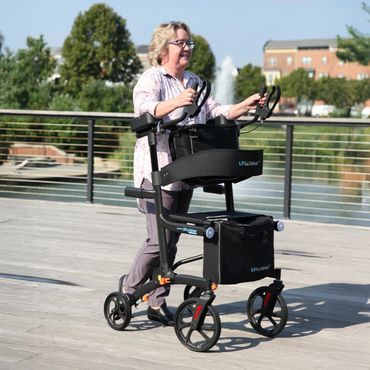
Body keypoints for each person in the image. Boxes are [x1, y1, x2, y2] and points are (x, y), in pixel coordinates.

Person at [120, 21, 267, 326]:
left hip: (186, 170)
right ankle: (129, 290)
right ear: (164, 49)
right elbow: (143, 110)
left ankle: (156, 303)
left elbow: (216, 112)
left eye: (189, 43)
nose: (187, 48)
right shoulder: (152, 79)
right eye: (181, 43)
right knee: (159, 241)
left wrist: (247, 105)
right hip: (158, 168)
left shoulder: (194, 81)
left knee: (171, 241)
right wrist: (177, 101)